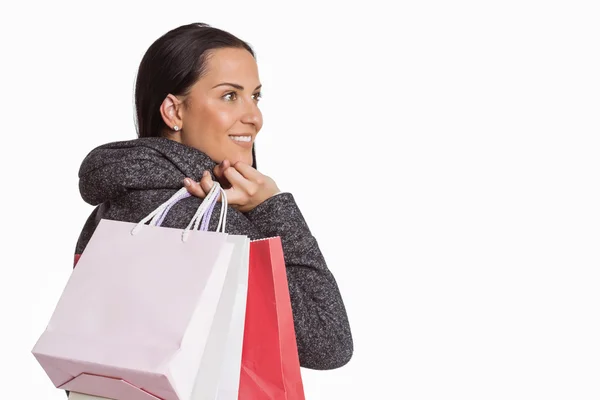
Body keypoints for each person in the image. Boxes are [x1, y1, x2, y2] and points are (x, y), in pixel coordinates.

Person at [74, 22, 353, 371]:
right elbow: (329, 342)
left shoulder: (115, 202)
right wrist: (273, 207)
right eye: (229, 96)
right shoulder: (207, 219)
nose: (255, 117)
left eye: (255, 96)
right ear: (174, 111)